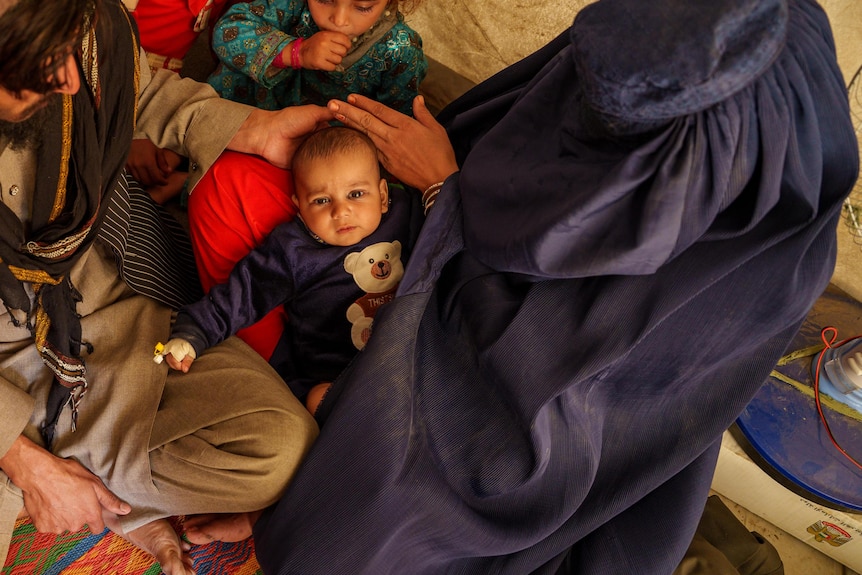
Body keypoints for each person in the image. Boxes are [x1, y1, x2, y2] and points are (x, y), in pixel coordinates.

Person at [240, 0, 854, 573]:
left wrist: (444, 196)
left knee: (322, 545)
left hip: (573, 396)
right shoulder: (679, 52)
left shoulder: (725, 203)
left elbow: (521, 381)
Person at [0, 0, 331, 573]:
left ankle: (94, 485)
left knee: (281, 447)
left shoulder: (84, 28)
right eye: (43, 60)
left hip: (104, 300)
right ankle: (73, 479)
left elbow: (130, 91)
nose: (72, 80)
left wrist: (255, 128)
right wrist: (22, 460)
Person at [157, 125, 424, 414]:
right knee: (317, 399)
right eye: (321, 201)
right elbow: (243, 295)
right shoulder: (293, 250)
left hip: (411, 351)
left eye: (356, 194)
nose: (341, 211)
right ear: (299, 207)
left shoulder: (404, 213)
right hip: (338, 374)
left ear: (383, 196)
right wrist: (193, 333)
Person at [207, 0, 427, 116]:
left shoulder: (402, 51)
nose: (339, 20)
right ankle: (186, 152)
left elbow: (396, 123)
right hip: (257, 107)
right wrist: (294, 52)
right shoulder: (295, 4)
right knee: (239, 62)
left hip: (316, 141)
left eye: (363, 7)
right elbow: (227, 31)